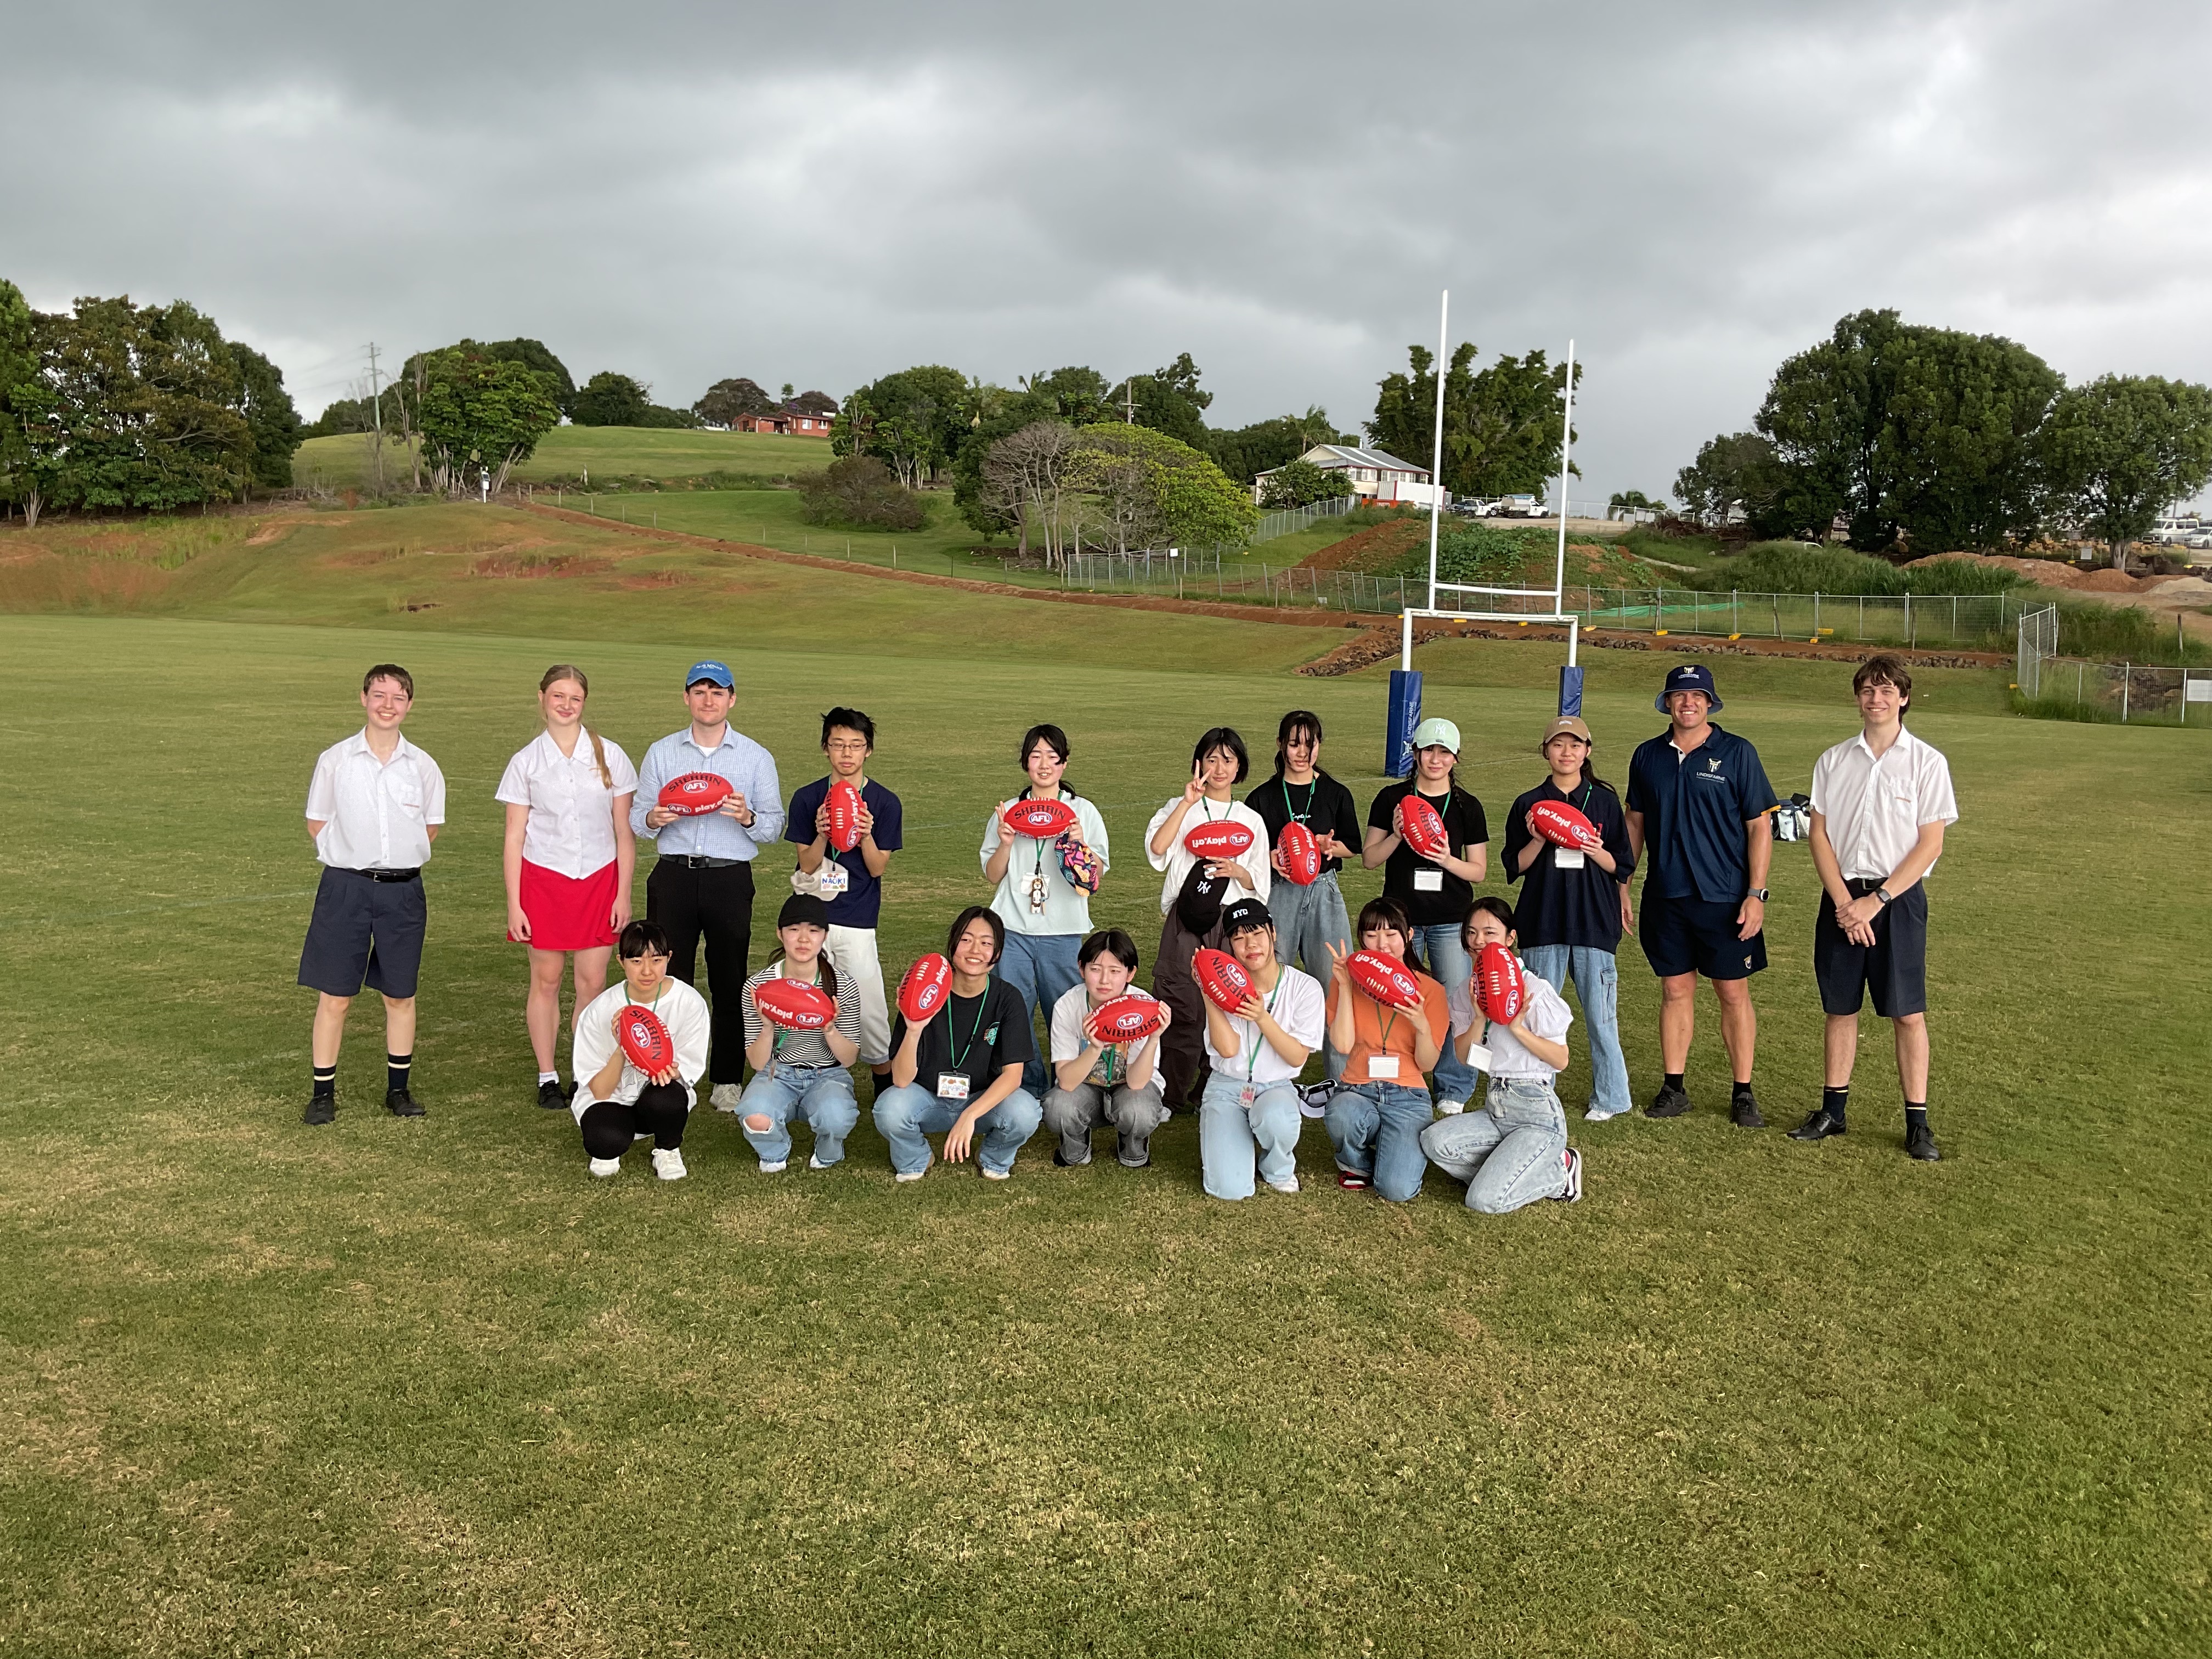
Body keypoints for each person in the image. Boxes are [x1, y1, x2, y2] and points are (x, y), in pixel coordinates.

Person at [1791, 656, 1959, 1161]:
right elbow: (1819, 835)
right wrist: (1847, 904)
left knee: (1907, 1013)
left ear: (1904, 698)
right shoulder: (1833, 760)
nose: (1876, 699)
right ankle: (1833, 1112)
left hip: (1897, 902)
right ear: (1858, 698)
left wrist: (1876, 901)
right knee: (1840, 1008)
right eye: (1867, 690)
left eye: (1886, 691)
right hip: (1842, 899)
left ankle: (1918, 1124)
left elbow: (1930, 844)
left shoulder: (1927, 762)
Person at [1624, 664, 1780, 1127]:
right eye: (1679, 695)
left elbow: (1759, 828)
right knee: (1675, 989)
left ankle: (1743, 1092)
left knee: (1732, 991)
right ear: (1667, 703)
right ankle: (1674, 1088)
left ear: (1710, 703)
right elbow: (1635, 824)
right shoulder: (1647, 755)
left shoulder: (1737, 752)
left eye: (1697, 696)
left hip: (1726, 897)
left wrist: (1756, 894)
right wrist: (1622, 884)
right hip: (1666, 894)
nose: (1688, 703)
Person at [631, 660, 786, 1110]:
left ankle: (726, 1079)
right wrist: (653, 818)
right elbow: (637, 818)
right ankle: (668, 1072)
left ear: (731, 699)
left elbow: (774, 826)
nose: (708, 700)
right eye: (699, 691)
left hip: (729, 877)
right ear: (686, 698)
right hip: (673, 876)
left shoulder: (755, 756)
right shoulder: (662, 752)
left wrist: (748, 817)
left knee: (729, 980)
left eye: (717, 692)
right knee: (666, 979)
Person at [298, 663, 447, 1125]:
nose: (388, 705)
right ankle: (323, 1094)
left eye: (398, 697)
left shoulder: (422, 766)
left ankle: (398, 1090)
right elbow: (317, 820)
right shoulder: (336, 760)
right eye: (379, 695)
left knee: (400, 995)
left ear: (410, 705)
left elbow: (430, 827)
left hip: (403, 894)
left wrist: (393, 859)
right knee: (336, 996)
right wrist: (351, 857)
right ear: (364, 698)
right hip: (346, 889)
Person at [497, 664, 639, 1110]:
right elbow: (514, 837)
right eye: (558, 696)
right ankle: (547, 1076)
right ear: (542, 698)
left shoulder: (610, 755)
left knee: (592, 982)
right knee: (547, 979)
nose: (566, 705)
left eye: (575, 698)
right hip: (544, 880)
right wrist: (515, 904)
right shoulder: (526, 762)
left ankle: (584, 1071)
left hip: (600, 879)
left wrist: (623, 893)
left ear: (584, 702)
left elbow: (624, 831)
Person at [1501, 715, 1636, 1121]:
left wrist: (1595, 850)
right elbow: (1515, 866)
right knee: (1539, 1016)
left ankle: (1611, 1097)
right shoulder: (1529, 802)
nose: (1567, 752)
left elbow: (1622, 865)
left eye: (1575, 745)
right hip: (1543, 921)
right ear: (1546, 751)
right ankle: (1535, 1093)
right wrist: (1538, 839)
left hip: (1595, 921)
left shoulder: (1605, 801)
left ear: (1587, 751)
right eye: (1558, 745)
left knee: (1601, 1017)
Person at [1419, 897, 1584, 1211]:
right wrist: (1478, 1018)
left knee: (1482, 1199)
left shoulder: (1534, 988)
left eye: (1489, 933)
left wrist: (1518, 1029)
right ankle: (1511, 1167)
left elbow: (1560, 1060)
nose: (1478, 941)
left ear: (1511, 938)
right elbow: (1464, 1056)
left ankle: (1559, 1172)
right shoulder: (1466, 992)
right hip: (1496, 1106)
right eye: (1471, 933)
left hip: (1536, 1111)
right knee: (1435, 1142)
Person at [980, 724, 1110, 1098]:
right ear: (1026, 763)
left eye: (1053, 757)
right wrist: (1006, 843)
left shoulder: (1082, 811)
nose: (1044, 764)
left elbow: (1096, 876)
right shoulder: (1009, 811)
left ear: (1064, 763)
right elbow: (993, 875)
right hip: (1013, 930)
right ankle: (1029, 1085)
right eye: (1036, 756)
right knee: (1014, 1013)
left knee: (1066, 1012)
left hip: (1064, 931)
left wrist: (1081, 845)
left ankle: (1070, 1087)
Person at [1147, 727, 1272, 1113]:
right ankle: (1170, 1095)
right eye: (1212, 759)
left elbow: (1259, 882)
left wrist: (1236, 870)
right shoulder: (1180, 806)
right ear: (1198, 763)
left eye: (1228, 760)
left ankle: (1211, 1089)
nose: (1219, 769)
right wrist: (1186, 804)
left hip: (1231, 920)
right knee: (1181, 1001)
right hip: (1186, 918)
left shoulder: (1250, 819)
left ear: (1239, 767)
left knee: (1228, 1003)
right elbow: (1157, 849)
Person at [874, 906, 1044, 1182]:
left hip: (981, 1098)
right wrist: (914, 1028)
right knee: (890, 1108)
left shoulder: (1008, 998)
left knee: (1025, 1112)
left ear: (997, 953)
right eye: (966, 940)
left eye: (986, 943)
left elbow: (1013, 1076)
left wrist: (970, 1116)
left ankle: (993, 1158)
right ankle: (916, 1158)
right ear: (953, 944)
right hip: (928, 1097)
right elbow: (901, 1080)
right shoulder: (925, 992)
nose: (975, 950)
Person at [1246, 710, 1361, 1111]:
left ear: (1319, 747)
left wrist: (1330, 848)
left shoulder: (1335, 792)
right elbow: (1250, 849)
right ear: (1281, 745)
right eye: (1294, 743)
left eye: (1310, 744)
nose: (1302, 752)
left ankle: (1343, 1082)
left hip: (1323, 889)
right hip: (1279, 891)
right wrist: (1270, 857)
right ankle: (1266, 1076)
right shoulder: (1263, 797)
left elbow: (1353, 846)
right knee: (1268, 978)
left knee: (1336, 980)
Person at [787, 707, 903, 1103]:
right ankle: (805, 1075)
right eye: (838, 745)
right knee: (808, 996)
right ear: (825, 748)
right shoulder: (807, 798)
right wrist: (822, 833)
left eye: (856, 745)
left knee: (868, 1004)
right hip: (812, 917)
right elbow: (807, 864)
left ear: (868, 750)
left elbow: (876, 867)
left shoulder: (884, 802)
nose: (847, 753)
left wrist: (866, 833)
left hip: (857, 918)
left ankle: (883, 1079)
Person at [1364, 713, 1488, 1036]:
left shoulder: (1468, 806)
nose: (1436, 759)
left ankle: (1450, 1072)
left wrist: (1447, 860)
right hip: (1400, 922)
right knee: (1399, 1000)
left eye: (1444, 752)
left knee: (1456, 1006)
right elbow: (1369, 860)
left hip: (1451, 919)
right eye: (1428, 750)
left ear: (1455, 757)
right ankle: (1406, 1066)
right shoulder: (1391, 798)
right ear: (1416, 752)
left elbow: (1478, 870)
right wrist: (1396, 836)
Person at [1321, 898, 1451, 1200]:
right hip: (1357, 1088)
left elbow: (1427, 1064)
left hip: (1408, 1096)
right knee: (1342, 1114)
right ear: (1361, 939)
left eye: (1391, 934)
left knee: (1396, 1189)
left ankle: (1390, 1146)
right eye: (1371, 935)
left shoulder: (1431, 990)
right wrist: (1345, 986)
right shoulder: (1346, 981)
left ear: (1409, 936)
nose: (1382, 944)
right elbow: (1342, 1044)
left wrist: (1421, 1025)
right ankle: (1358, 1163)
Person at [1198, 899, 1325, 1200]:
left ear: (1273, 934)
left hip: (1276, 1087)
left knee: (1277, 1116)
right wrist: (1207, 990)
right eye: (1239, 938)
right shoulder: (1224, 983)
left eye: (1257, 934)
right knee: (1229, 1190)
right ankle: (1235, 1141)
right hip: (1228, 1086)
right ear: (1231, 946)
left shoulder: (1305, 987)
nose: (1250, 945)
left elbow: (1296, 1056)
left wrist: (1261, 1017)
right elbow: (1228, 1050)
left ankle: (1277, 1167)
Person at [569, 920, 711, 1181]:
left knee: (668, 1098)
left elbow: (686, 1071)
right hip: (611, 1100)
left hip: (656, 1098)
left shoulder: (689, 1002)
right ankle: (614, 1139)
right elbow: (600, 1091)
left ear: (669, 958)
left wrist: (667, 1070)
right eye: (636, 961)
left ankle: (668, 1148)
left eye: (656, 960)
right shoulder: (599, 1010)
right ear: (621, 961)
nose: (647, 971)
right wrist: (624, 1045)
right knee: (605, 1142)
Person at [733, 894, 863, 1173]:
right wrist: (768, 1026)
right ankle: (774, 1151)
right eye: (794, 929)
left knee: (836, 1118)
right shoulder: (758, 986)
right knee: (755, 1116)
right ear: (780, 934)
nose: (804, 939)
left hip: (828, 1073)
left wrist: (830, 1028)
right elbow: (757, 1062)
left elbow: (850, 1058)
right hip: (777, 1072)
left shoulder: (842, 985)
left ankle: (829, 1149)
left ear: (825, 936)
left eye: (813, 930)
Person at [1042, 928, 1171, 1169]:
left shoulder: (1143, 1009)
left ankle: (1133, 1148)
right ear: (1081, 969)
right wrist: (1094, 1047)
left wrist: (1154, 1038)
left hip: (1130, 1088)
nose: (1104, 980)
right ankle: (1076, 1148)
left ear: (1130, 973)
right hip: (1085, 1088)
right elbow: (1067, 1082)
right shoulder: (1067, 1006)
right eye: (1095, 969)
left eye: (1115, 971)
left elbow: (1136, 1083)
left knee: (1139, 1109)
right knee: (1058, 1106)